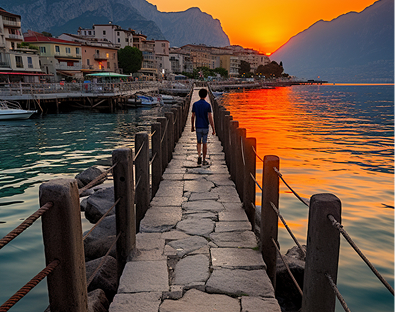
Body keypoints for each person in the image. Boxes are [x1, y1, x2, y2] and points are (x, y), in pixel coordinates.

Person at [191, 88, 215, 165]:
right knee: (204, 143)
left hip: (198, 126)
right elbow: (210, 117)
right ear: (206, 95)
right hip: (205, 126)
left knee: (198, 142)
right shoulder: (208, 105)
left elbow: (192, 116)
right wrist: (213, 128)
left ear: (199, 95)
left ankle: (199, 156)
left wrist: (192, 126)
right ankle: (204, 159)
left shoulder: (195, 104)